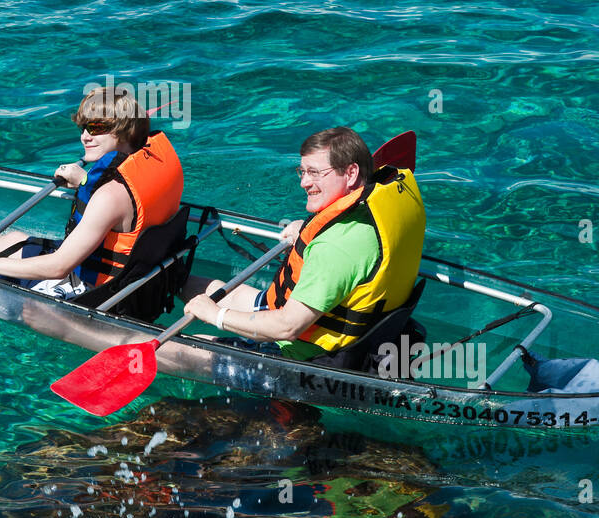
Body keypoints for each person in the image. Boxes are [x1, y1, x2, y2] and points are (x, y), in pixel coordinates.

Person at [0, 86, 184, 299]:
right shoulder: (145, 161)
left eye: (96, 128)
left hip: (92, 293)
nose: (84, 136)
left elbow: (58, 267)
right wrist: (85, 180)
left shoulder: (109, 197)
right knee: (13, 240)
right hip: (137, 276)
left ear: (121, 131)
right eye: (83, 126)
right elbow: (128, 214)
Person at [182, 126, 425, 363]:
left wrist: (215, 315)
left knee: (178, 348)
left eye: (315, 172)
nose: (303, 183)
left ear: (351, 173)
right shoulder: (377, 209)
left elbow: (287, 327)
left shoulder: (336, 248)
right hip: (353, 337)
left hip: (302, 359)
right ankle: (171, 282)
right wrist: (309, 229)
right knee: (192, 285)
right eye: (302, 171)